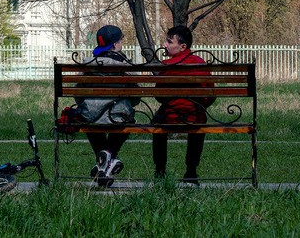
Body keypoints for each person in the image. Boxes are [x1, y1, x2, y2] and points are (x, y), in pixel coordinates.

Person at [75, 24, 137, 187]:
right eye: (121, 41)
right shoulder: (124, 65)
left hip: (90, 116)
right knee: (129, 121)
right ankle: (108, 157)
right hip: (118, 115)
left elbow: (78, 95)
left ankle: (102, 163)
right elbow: (136, 96)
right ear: (115, 44)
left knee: (90, 120)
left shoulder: (87, 64)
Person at [152, 25, 214, 185]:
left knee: (156, 122)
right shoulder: (200, 64)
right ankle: (191, 171)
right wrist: (199, 105)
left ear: (182, 46)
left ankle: (160, 171)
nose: (165, 45)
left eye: (168, 42)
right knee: (199, 121)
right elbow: (211, 94)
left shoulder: (167, 66)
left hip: (169, 117)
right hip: (195, 116)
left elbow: (158, 96)